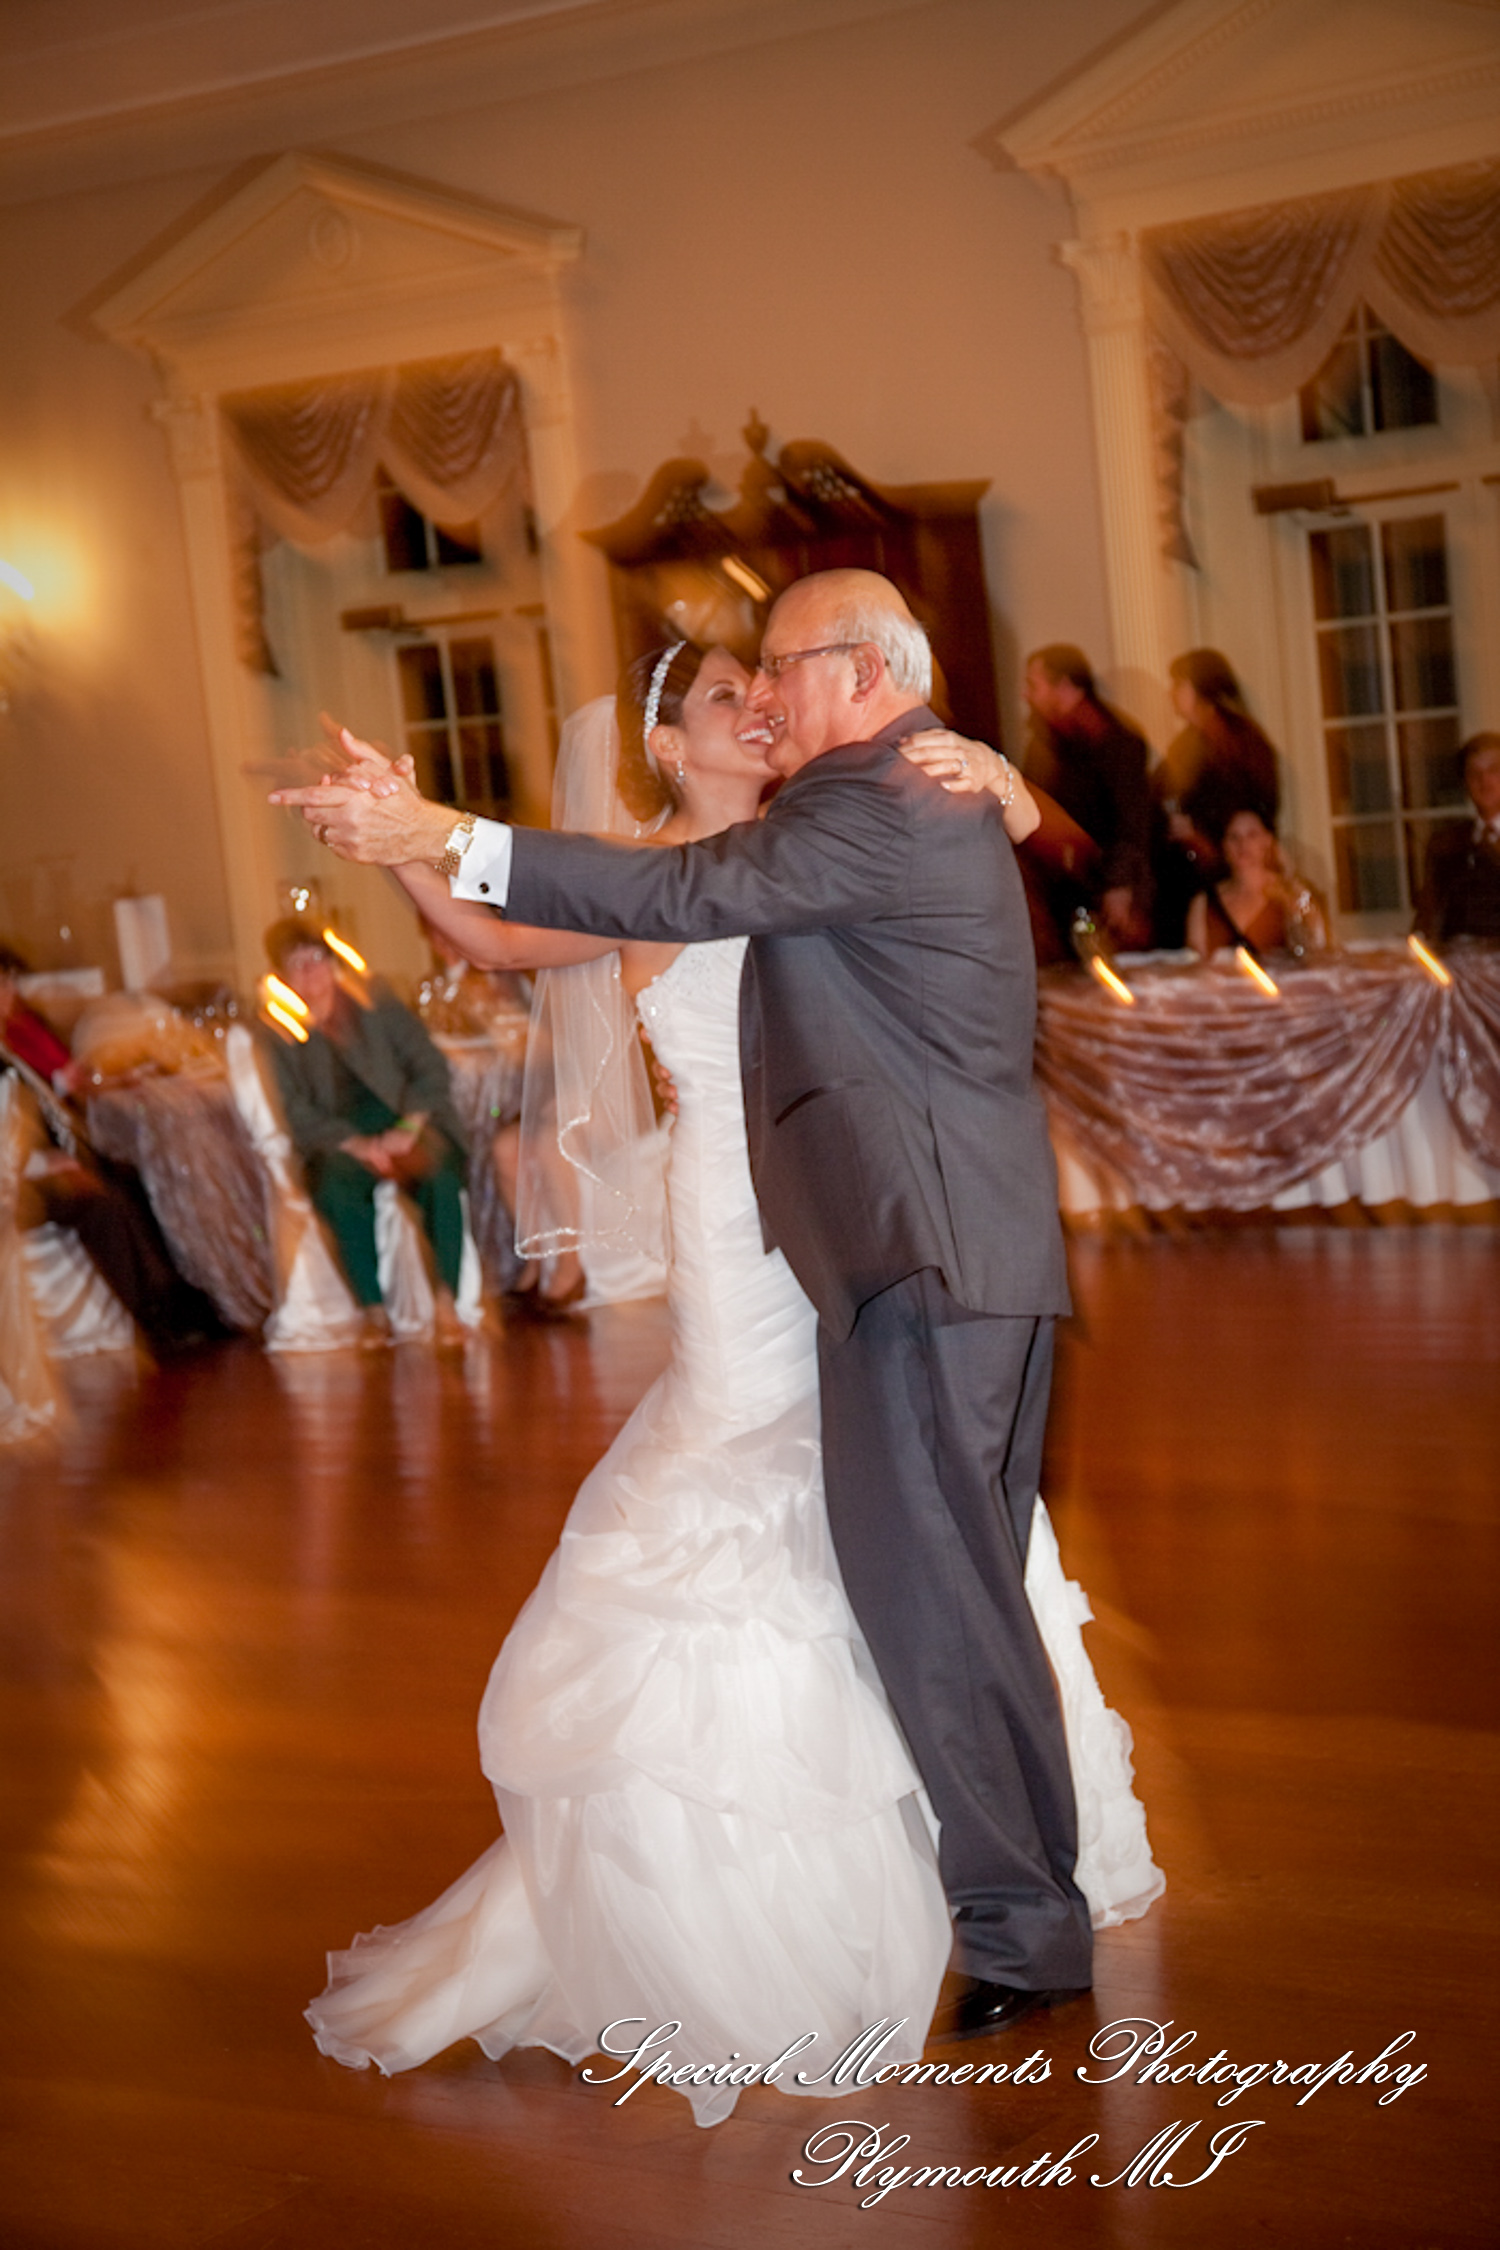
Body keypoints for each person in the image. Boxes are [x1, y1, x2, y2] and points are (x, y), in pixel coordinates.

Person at [277, 572, 1162, 2045]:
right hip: (900, 1250)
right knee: (954, 1584)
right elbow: (631, 901)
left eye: (785, 667)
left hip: (911, 1255)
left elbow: (678, 894)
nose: (768, 692)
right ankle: (1023, 1903)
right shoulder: (891, 792)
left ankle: (1020, 1919)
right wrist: (421, 846)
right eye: (737, 684)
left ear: (860, 671)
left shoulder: (867, 803)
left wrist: (441, 830)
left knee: (932, 1596)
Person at [0, 947, 229, 1355]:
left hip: (45, 1157)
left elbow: (36, 1106)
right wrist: (49, 1165)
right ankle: (151, 1318)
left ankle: (180, 1295)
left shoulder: (10, 1043)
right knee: (101, 1208)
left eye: (9, 982)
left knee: (133, 1178)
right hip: (16, 1184)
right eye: (3, 984)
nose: (10, 993)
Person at [260, 920, 470, 1349]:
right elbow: (292, 1106)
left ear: (333, 962)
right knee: (335, 1187)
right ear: (282, 976)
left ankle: (447, 1303)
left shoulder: (375, 1000)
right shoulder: (278, 1028)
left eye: (316, 959)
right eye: (295, 964)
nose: (309, 972)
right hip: (339, 1137)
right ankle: (373, 1310)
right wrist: (356, 1144)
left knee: (439, 1175)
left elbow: (429, 1065)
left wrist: (409, 1127)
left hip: (400, 1120)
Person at [1022, 644, 1153, 951]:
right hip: (1061, 894)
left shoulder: (1115, 741)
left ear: (1065, 685)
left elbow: (1131, 823)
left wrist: (1119, 886)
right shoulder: (1046, 743)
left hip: (1104, 897)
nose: (1026, 695)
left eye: (1033, 685)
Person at [1153, 650, 1281, 947]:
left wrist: (1202, 835)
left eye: (1179, 684)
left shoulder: (1238, 740)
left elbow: (1254, 808)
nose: (1171, 692)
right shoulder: (1187, 742)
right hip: (1189, 875)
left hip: (1228, 875)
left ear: (1201, 687)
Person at [1185, 809, 1328, 959]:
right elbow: (1196, 967)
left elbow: (1317, 949)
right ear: (1224, 846)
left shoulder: (1292, 892)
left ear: (1267, 841)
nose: (1242, 844)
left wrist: (1289, 880)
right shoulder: (1203, 903)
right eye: (1234, 837)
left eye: (1252, 835)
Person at [1416, 733, 1500, 943]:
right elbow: (1428, 917)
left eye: (1494, 771)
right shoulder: (1445, 846)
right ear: (1465, 783)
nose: (1485, 782)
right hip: (1459, 967)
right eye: (1474, 774)